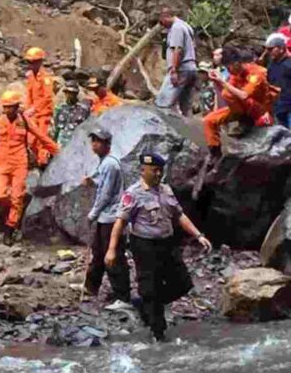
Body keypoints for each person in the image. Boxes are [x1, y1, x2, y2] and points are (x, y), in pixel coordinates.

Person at [106, 153, 212, 342]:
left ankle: (146, 305)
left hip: (167, 243)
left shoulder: (166, 190)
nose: (158, 174)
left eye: (160, 170)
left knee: (183, 283)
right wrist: (112, 250)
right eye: (154, 170)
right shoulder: (133, 194)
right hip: (144, 245)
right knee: (150, 287)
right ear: (142, 170)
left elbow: (179, 215)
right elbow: (120, 223)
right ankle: (158, 334)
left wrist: (198, 235)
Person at [0, 90, 60, 244]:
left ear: (17, 107)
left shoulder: (24, 120)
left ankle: (10, 228)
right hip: (2, 163)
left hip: (20, 163)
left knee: (17, 197)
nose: (8, 110)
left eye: (11, 107)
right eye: (5, 107)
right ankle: (11, 214)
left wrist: (57, 151)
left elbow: (41, 136)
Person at [75, 127, 131, 310]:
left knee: (113, 256)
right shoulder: (105, 163)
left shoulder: (110, 164)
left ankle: (123, 296)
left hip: (111, 217)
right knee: (98, 253)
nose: (94, 145)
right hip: (105, 217)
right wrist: (93, 182)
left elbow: (106, 194)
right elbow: (104, 185)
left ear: (107, 144)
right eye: (93, 141)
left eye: (98, 141)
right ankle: (91, 287)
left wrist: (92, 214)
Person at [204, 46, 277, 160]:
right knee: (209, 120)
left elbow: (244, 95)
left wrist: (222, 82)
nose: (228, 70)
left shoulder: (257, 73)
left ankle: (244, 120)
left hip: (260, 110)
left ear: (237, 63)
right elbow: (227, 90)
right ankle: (215, 153)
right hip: (240, 109)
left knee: (228, 94)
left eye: (229, 67)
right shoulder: (235, 74)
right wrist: (216, 82)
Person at [154, 7, 198, 116]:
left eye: (161, 21)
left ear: (165, 17)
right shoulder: (185, 26)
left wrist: (174, 70)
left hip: (181, 69)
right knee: (185, 106)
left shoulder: (176, 28)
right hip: (191, 68)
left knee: (162, 102)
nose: (162, 25)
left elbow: (177, 49)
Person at [23, 47, 56, 167]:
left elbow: (47, 98)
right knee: (31, 141)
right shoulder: (31, 77)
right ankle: (37, 162)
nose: (30, 65)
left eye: (33, 62)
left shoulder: (46, 78)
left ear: (40, 62)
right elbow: (29, 96)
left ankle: (45, 165)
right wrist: (28, 111)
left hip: (44, 115)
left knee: (43, 141)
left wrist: (34, 109)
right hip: (33, 116)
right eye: (29, 62)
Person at [50, 80, 91, 147]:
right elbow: (54, 129)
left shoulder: (83, 110)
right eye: (67, 92)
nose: (69, 95)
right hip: (61, 144)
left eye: (72, 93)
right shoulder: (60, 108)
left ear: (76, 94)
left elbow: (87, 129)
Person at [266, 34, 291, 128]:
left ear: (281, 48)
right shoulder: (271, 65)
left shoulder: (289, 63)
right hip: (278, 108)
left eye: (271, 49)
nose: (269, 52)